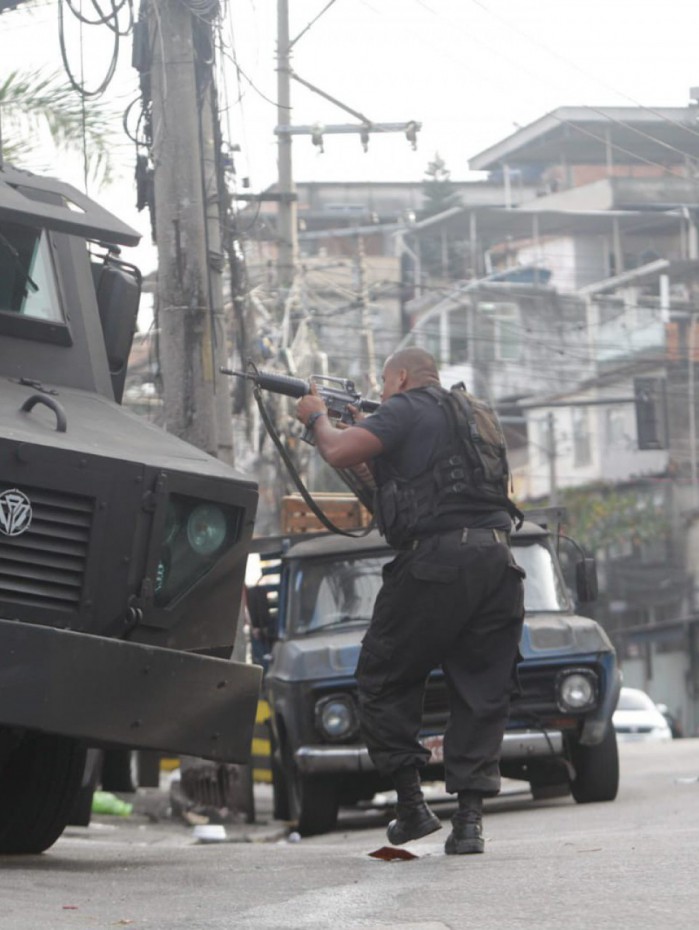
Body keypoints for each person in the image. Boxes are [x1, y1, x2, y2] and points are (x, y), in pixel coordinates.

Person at [296, 347, 525, 855]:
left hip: (438, 563)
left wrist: (316, 419)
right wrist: (367, 431)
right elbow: (414, 479)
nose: (380, 394)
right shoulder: (476, 416)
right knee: (481, 690)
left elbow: (337, 452)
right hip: (498, 563)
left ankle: (410, 806)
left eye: (382, 384)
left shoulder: (405, 407)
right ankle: (469, 823)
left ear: (400, 378)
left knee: (383, 676)